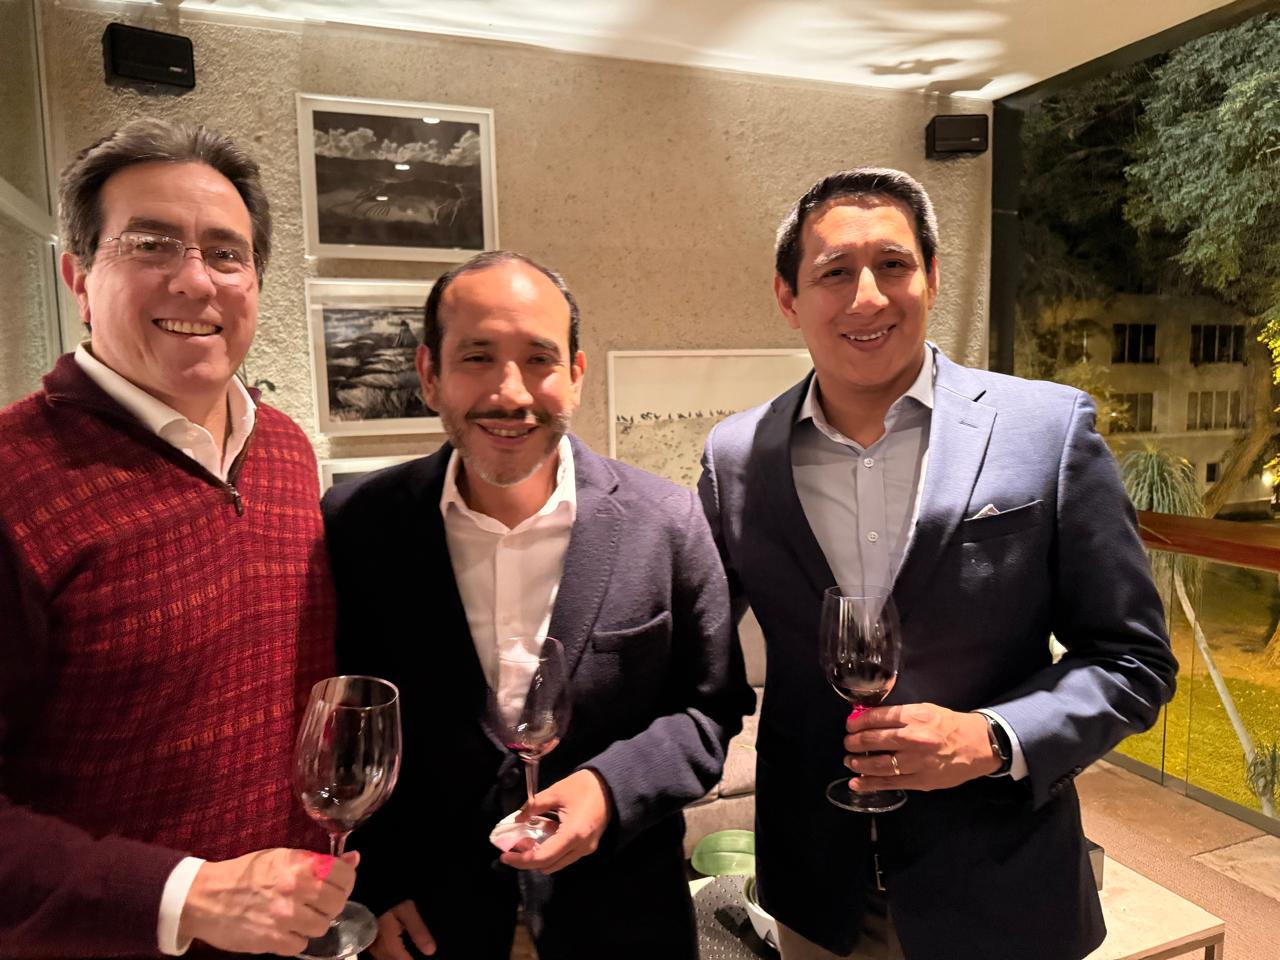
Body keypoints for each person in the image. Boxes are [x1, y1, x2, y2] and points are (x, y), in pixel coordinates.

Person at [697, 168, 1178, 960]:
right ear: (789, 297)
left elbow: (1133, 662)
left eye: (893, 265)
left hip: (1002, 885)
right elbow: (695, 655)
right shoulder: (737, 456)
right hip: (817, 891)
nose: (867, 297)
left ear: (932, 278)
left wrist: (992, 737)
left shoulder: (1046, 429)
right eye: (834, 272)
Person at [322, 250, 754, 960]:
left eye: (539, 360)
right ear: (429, 374)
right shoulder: (356, 525)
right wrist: (378, 878)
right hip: (428, 925)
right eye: (477, 357)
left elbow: (711, 710)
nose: (510, 392)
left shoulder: (668, 523)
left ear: (575, 374)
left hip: (621, 923)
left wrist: (609, 789)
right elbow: (340, 728)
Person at [0, 118, 356, 958]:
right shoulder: (13, 483)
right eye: (151, 245)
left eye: (227, 254)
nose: (196, 280)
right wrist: (181, 895)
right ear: (78, 278)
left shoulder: (286, 451)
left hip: (292, 930)